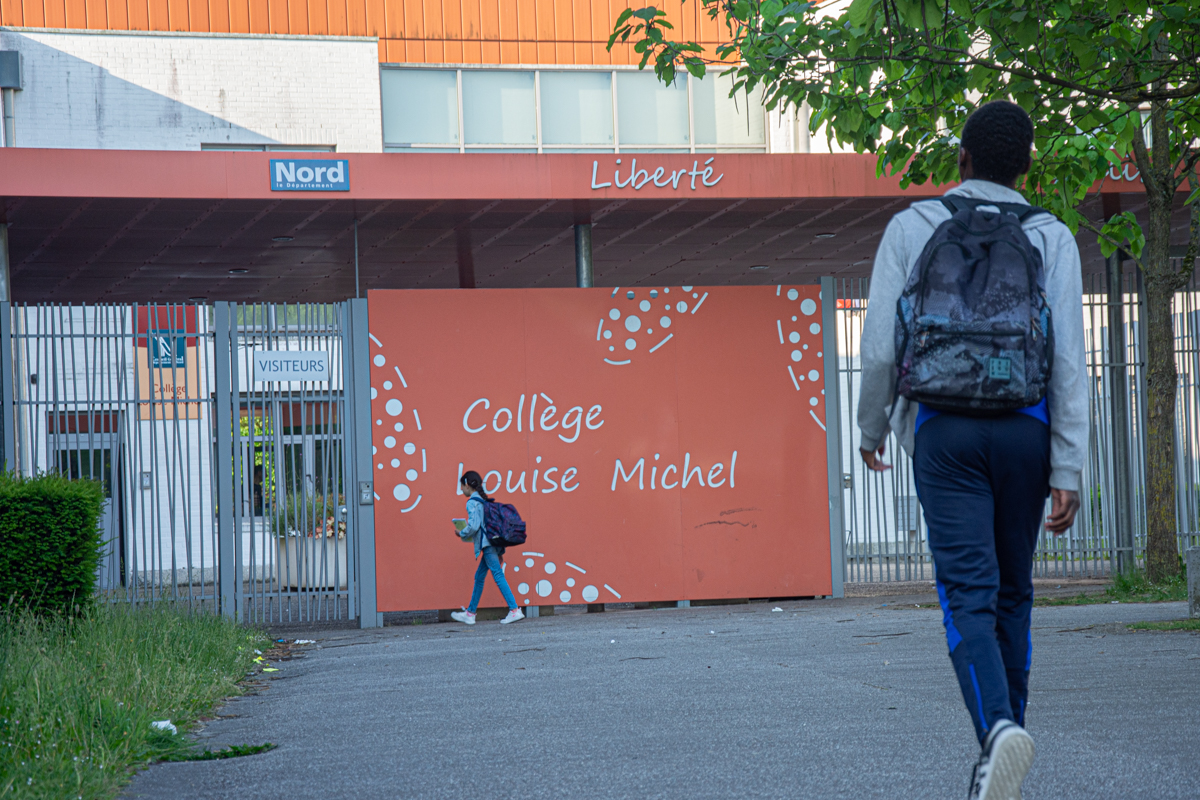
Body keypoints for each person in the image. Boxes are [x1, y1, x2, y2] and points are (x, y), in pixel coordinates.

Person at [856, 101, 1087, 800]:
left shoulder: (913, 225)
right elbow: (1070, 361)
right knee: (1014, 593)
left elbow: (877, 350)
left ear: (961, 160)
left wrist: (870, 431)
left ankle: (996, 733)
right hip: (1026, 430)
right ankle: (1005, 749)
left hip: (943, 432)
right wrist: (1068, 465)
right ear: (1027, 166)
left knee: (966, 595)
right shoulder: (1051, 236)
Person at [450, 471, 524, 625]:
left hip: (488, 546)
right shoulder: (484, 501)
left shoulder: (472, 502)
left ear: (467, 485)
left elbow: (474, 526)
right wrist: (500, 550)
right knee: (479, 577)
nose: (461, 489)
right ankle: (470, 614)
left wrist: (461, 532)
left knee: (497, 575)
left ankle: (514, 610)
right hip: (493, 545)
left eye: (462, 486)